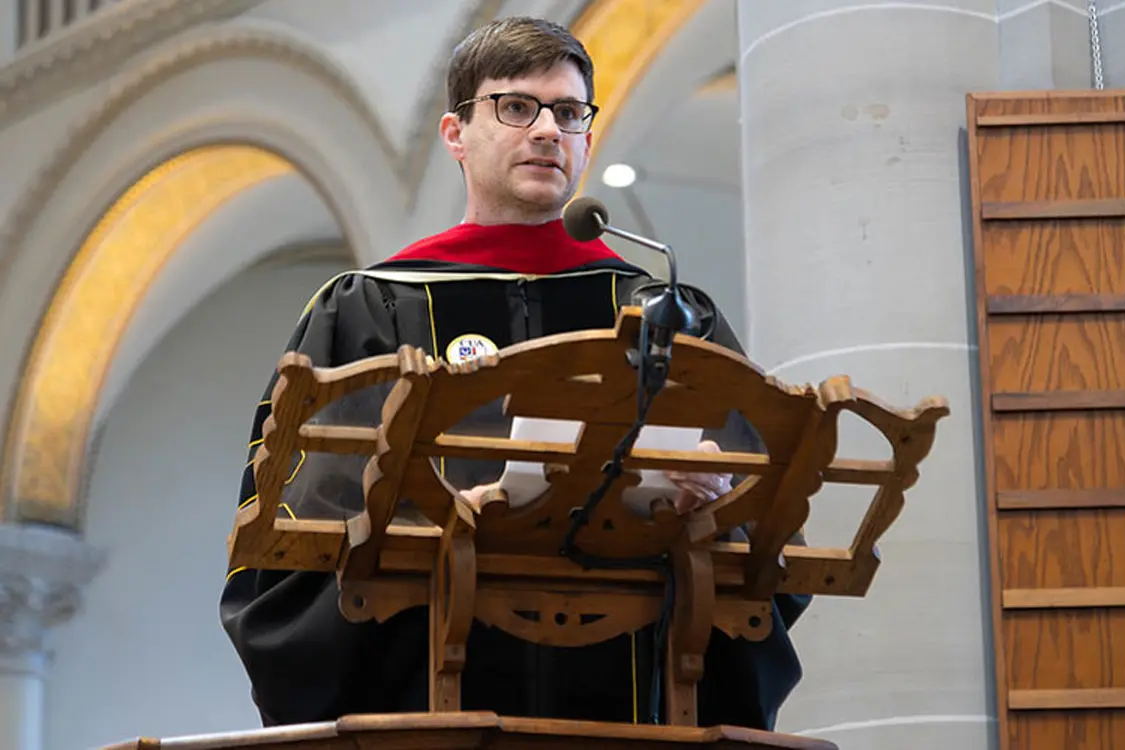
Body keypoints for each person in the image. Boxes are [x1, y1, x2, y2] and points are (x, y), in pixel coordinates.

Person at [220, 16, 809, 732]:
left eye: (568, 113)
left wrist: (719, 505)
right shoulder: (375, 306)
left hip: (628, 705)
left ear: (587, 138)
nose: (546, 131)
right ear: (455, 134)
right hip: (433, 693)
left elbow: (773, 545)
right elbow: (304, 532)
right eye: (516, 107)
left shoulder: (663, 314)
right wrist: (457, 510)